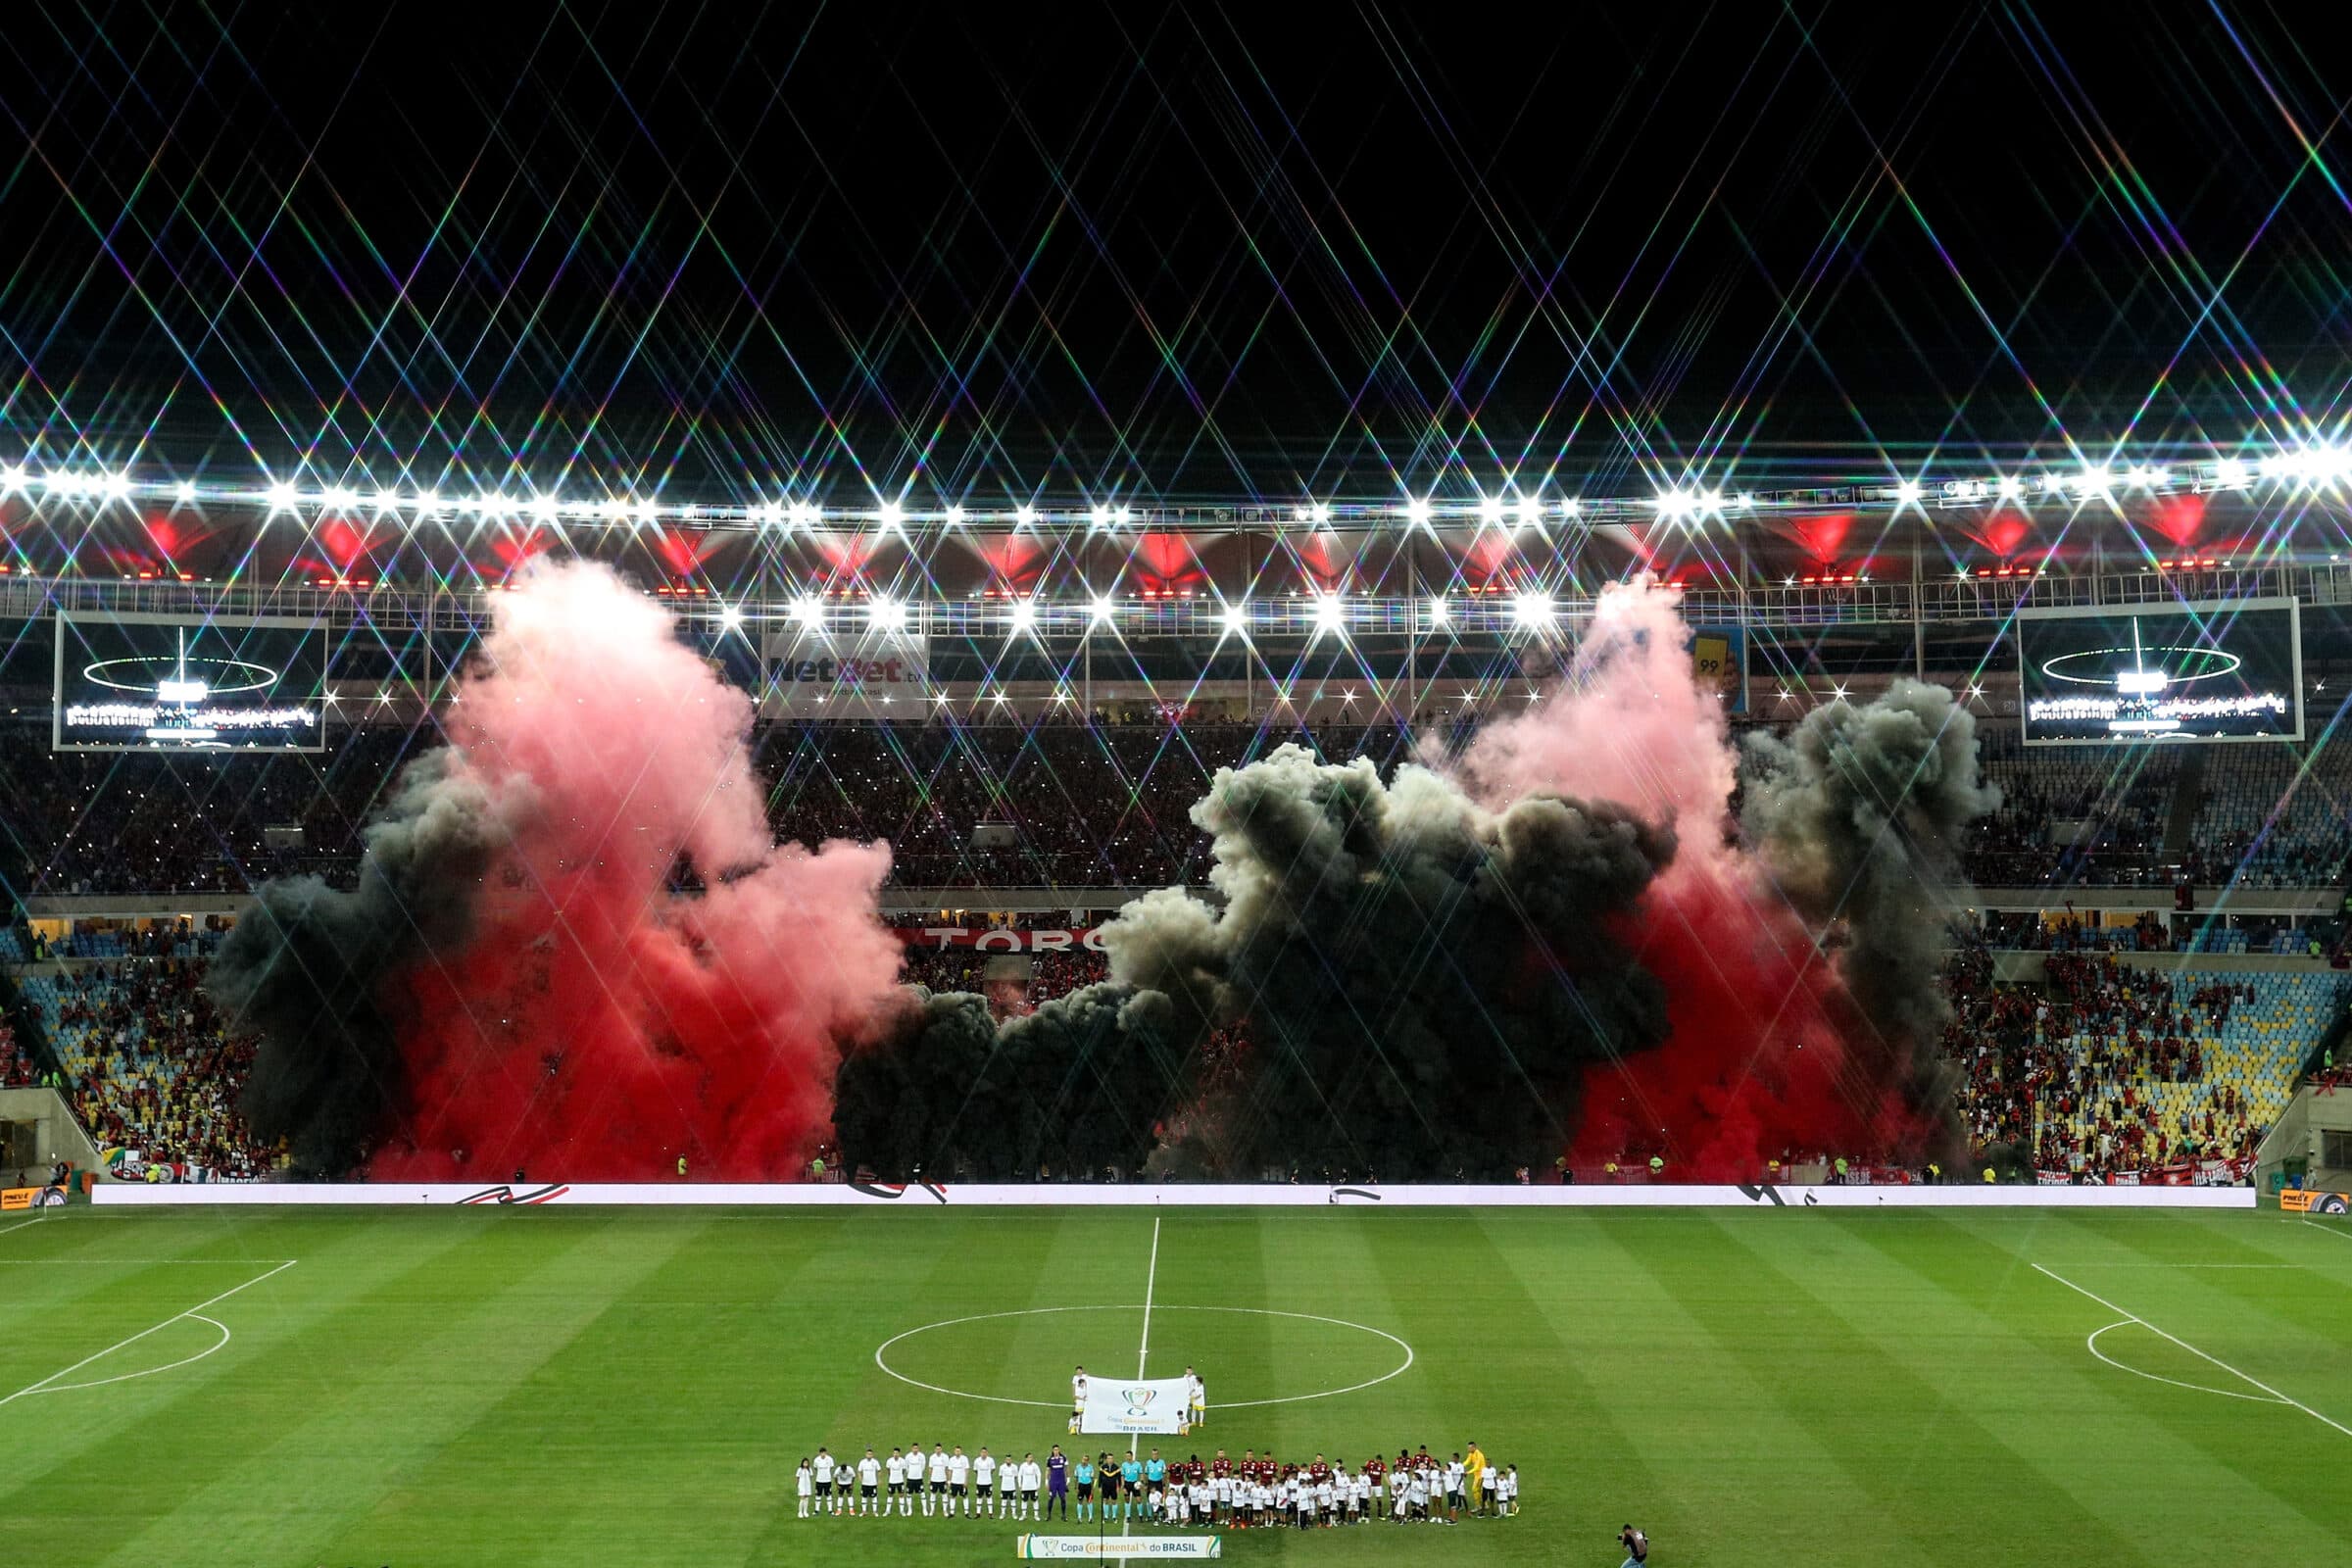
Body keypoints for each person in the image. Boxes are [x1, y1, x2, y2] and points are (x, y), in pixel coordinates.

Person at [1045, 1446, 1069, 1520]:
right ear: (1052, 1450)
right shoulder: (1049, 1459)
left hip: (1061, 1481)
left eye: (1057, 1450)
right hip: (1053, 1481)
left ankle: (1064, 1515)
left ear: (1059, 1450)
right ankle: (1049, 1515)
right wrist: (1046, 1480)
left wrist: (1068, 1478)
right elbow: (1048, 1470)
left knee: (1063, 1498)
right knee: (1051, 1498)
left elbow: (1067, 1468)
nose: (1056, 1451)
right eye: (1055, 1450)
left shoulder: (1063, 1458)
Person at [857, 1446, 880, 1518]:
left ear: (872, 1455)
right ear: (866, 1454)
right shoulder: (862, 1462)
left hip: (873, 1483)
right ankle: (864, 1511)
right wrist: (860, 1477)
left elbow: (879, 1470)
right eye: (868, 1454)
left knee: (874, 1497)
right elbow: (859, 1471)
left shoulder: (875, 1462)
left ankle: (875, 1511)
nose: (869, 1455)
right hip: (865, 1483)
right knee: (864, 1497)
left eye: (870, 1454)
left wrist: (879, 1479)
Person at [974, 1446, 998, 1516]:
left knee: (989, 1497)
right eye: (982, 1452)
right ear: (980, 1453)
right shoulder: (977, 1460)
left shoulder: (991, 1460)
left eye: (985, 1452)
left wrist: (987, 1474)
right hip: (979, 1482)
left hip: (988, 1482)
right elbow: (975, 1470)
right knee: (979, 1497)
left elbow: (993, 1469)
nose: (983, 1454)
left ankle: (990, 1513)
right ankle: (978, 1513)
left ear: (987, 1453)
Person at [812, 1447, 836, 1516]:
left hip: (827, 1480)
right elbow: (815, 1468)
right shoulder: (816, 1460)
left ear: (826, 1452)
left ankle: (830, 1510)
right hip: (819, 1480)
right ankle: (817, 1510)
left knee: (828, 1495)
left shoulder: (830, 1459)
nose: (823, 1454)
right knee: (818, 1495)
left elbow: (831, 1467)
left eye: (824, 1453)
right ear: (820, 1453)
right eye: (822, 1453)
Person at [949, 1446, 971, 1516]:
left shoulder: (965, 1459)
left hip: (962, 1482)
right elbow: (950, 1470)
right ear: (954, 1451)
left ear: (961, 1451)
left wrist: (966, 1481)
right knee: (952, 1496)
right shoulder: (951, 1459)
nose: (957, 1452)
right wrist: (949, 1480)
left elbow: (967, 1470)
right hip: (954, 1481)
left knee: (965, 1496)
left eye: (959, 1451)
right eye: (956, 1451)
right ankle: (952, 1513)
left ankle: (966, 1512)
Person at [1019, 1451, 1042, 1520]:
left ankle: (1036, 1515)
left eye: (1031, 1457)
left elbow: (1039, 1475)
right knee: (1024, 1500)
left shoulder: (1035, 1466)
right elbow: (1020, 1475)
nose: (1031, 1459)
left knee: (1035, 1501)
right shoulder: (1023, 1466)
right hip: (1025, 1487)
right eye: (1029, 1457)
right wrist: (1020, 1484)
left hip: (1033, 1487)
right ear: (1026, 1458)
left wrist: (1038, 1484)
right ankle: (1023, 1515)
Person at [1073, 1452, 1096, 1521]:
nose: (1084, 1461)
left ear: (1088, 1461)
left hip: (1088, 1486)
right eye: (1083, 1459)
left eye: (1086, 1460)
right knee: (1080, 1501)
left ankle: (1090, 1517)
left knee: (1089, 1501)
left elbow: (1092, 1479)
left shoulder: (1090, 1468)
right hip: (1081, 1486)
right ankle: (1079, 1517)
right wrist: (1076, 1487)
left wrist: (1092, 1489)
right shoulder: (1077, 1467)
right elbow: (1076, 1478)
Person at [928, 1442, 949, 1516]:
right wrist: (929, 1479)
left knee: (944, 1494)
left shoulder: (945, 1457)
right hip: (934, 1479)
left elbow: (947, 1468)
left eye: (939, 1449)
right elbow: (930, 1468)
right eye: (937, 1449)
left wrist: (947, 1479)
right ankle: (932, 1510)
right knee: (933, 1494)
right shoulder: (932, 1457)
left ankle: (945, 1510)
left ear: (941, 1449)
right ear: (935, 1450)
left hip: (942, 1479)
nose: (938, 1450)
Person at [998, 1448, 1018, 1514]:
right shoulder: (1002, 1467)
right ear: (1005, 1460)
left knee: (1013, 1500)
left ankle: (1014, 1513)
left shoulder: (1015, 1467)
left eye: (1009, 1459)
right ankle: (1003, 1513)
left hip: (1012, 1487)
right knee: (1004, 1500)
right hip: (1004, 1487)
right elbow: (1000, 1476)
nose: (1008, 1460)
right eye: (1007, 1459)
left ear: (1011, 1460)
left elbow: (1015, 1476)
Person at [1185, 1365, 1204, 1429]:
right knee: (1192, 1409)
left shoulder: (1194, 1378)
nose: (1188, 1372)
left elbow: (1197, 1390)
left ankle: (1200, 1422)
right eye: (1187, 1370)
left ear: (1192, 1371)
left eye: (1189, 1371)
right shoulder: (1184, 1376)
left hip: (1195, 1396)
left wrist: (1193, 1395)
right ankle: (1192, 1421)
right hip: (1188, 1394)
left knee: (1199, 1410)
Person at [796, 1456, 813, 1520]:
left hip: (807, 1486)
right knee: (802, 1498)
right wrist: (797, 1484)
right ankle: (800, 1512)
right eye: (804, 1463)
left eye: (807, 1463)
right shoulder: (799, 1469)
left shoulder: (809, 1469)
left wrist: (809, 1484)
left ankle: (805, 1511)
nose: (806, 1464)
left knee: (806, 1498)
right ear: (802, 1463)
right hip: (801, 1486)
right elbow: (797, 1477)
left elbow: (811, 1477)